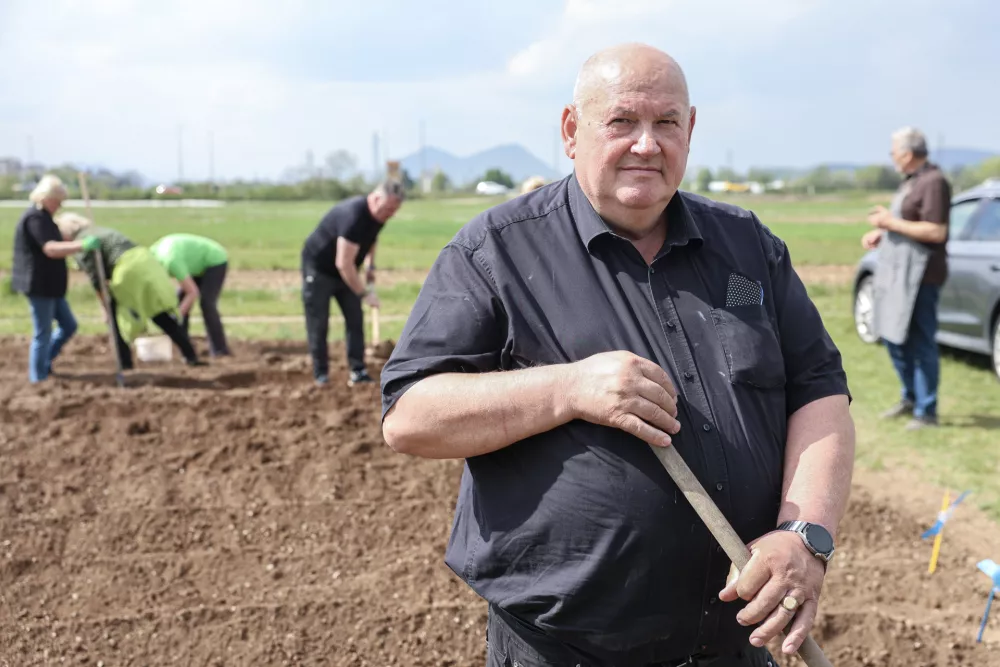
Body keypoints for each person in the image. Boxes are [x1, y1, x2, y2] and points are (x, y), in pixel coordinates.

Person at [381, 43, 855, 667]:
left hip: (734, 643)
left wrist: (804, 536)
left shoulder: (748, 248)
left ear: (690, 130)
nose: (646, 144)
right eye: (622, 121)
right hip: (566, 650)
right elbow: (410, 417)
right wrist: (567, 390)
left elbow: (820, 391)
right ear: (571, 130)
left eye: (666, 123)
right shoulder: (496, 253)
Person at [862, 127, 951, 430]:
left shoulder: (934, 182)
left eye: (893, 152)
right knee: (893, 335)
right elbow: (907, 223)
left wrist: (890, 222)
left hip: (922, 276)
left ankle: (927, 411)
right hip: (898, 274)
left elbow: (936, 231)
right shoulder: (912, 180)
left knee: (921, 341)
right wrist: (883, 232)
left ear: (908, 154)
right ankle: (910, 397)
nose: (892, 158)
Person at [53, 213, 203, 368]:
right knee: (157, 312)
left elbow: (96, 278)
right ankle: (190, 354)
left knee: (116, 317)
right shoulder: (101, 231)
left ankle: (125, 362)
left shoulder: (83, 242)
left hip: (126, 269)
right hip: (146, 261)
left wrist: (105, 306)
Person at [300, 180, 404, 387]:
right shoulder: (353, 216)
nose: (390, 214)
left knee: (355, 318)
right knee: (319, 323)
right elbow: (343, 263)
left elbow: (372, 237)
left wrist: (370, 266)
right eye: (388, 209)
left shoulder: (378, 215)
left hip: (346, 270)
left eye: (394, 211)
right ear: (376, 198)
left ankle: (358, 371)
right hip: (319, 269)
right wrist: (365, 293)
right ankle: (321, 375)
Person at [11, 175, 98, 383]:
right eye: (57, 201)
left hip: (52, 286)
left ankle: (45, 361)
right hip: (39, 284)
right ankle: (38, 378)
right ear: (46, 198)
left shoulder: (46, 219)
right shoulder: (35, 219)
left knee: (69, 325)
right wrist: (81, 246)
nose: (59, 206)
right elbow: (49, 248)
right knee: (43, 332)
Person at [149, 233, 231, 358]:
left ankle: (220, 350)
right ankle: (185, 346)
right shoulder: (152, 254)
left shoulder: (171, 262)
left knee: (207, 303)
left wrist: (176, 317)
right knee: (180, 300)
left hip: (214, 259)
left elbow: (192, 292)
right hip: (194, 264)